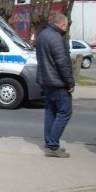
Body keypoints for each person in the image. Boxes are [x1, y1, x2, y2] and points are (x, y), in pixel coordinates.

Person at [35, 12, 75, 158]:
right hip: (58, 82)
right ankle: (53, 145)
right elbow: (62, 63)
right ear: (61, 24)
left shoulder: (43, 35)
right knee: (64, 112)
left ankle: (50, 143)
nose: (66, 28)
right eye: (65, 25)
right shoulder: (57, 38)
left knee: (51, 112)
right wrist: (70, 82)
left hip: (46, 81)